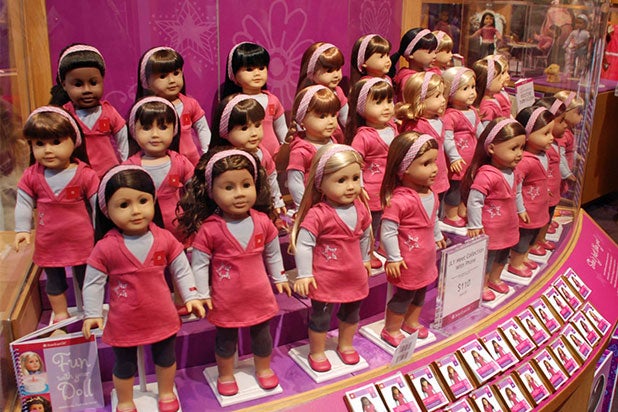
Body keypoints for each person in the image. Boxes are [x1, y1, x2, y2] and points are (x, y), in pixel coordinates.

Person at [82, 165, 205, 412]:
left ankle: (166, 392)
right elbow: (93, 282)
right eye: (123, 205)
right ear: (106, 210)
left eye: (143, 201)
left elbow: (181, 269)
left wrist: (191, 296)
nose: (136, 211)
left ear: (153, 201)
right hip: (125, 320)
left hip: (162, 315)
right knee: (124, 365)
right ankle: (125, 400)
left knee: (165, 358)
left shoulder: (165, 239)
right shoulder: (106, 247)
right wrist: (92, 313)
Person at [177, 148, 291, 396]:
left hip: (259, 295)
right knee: (226, 340)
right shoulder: (210, 229)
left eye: (245, 185)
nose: (239, 194)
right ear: (211, 191)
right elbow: (199, 264)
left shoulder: (263, 222)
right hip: (226, 299)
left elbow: (273, 253)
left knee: (262, 336)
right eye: (228, 187)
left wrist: (280, 277)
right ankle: (226, 374)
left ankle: (263, 368)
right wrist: (201, 294)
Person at [289, 145, 372, 373]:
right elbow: (304, 244)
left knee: (351, 313)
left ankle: (346, 344)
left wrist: (365, 259)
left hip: (354, 274)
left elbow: (366, 234)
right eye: (341, 180)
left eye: (355, 178)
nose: (351, 186)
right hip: (326, 277)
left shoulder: (360, 208)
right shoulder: (318, 213)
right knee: (321, 317)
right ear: (320, 183)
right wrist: (304, 274)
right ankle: (317, 351)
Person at [14, 106, 97, 323]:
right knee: (54, 281)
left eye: (56, 142)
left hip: (82, 241)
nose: (48, 150)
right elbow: (23, 203)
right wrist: (22, 230)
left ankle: (91, 312)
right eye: (39, 144)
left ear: (73, 141)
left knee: (87, 279)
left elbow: (98, 205)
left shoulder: (85, 174)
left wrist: (101, 231)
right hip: (49, 242)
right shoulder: (32, 176)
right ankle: (60, 314)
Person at [379, 132, 446, 347]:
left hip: (426, 257)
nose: (434, 168)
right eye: (426, 163)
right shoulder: (399, 201)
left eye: (434, 161)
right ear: (405, 168)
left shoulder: (432, 194)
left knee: (420, 293)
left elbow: (434, 218)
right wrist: (394, 257)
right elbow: (388, 231)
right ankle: (391, 328)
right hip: (407, 260)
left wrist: (437, 235)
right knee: (403, 296)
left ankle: (411, 321)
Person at [462, 118, 526, 301]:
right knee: (488, 258)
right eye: (513, 148)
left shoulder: (515, 172)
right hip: (490, 228)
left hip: (509, 224)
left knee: (503, 255)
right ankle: (482, 284)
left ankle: (495, 279)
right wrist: (475, 224)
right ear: (491, 148)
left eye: (522, 148)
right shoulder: (487, 175)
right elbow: (475, 201)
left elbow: (518, 193)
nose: (519, 154)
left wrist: (521, 210)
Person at [49, 44, 128, 178]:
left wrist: (125, 165)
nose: (87, 90)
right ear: (64, 85)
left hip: (110, 175)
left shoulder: (109, 112)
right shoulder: (64, 116)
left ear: (102, 80)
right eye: (78, 84)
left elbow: (123, 139)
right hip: (79, 177)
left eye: (93, 83)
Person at [123, 97, 193, 243]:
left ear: (174, 129)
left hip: (180, 232)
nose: (155, 134)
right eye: (146, 128)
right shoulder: (129, 168)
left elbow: (196, 191)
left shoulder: (180, 162)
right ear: (133, 130)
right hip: (144, 235)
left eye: (163, 127)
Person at [345, 78, 398, 269]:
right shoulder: (363, 136)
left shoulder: (393, 128)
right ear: (361, 107)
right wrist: (359, 185)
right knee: (371, 223)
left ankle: (384, 245)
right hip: (371, 189)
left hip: (391, 185)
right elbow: (355, 163)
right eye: (378, 102)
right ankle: (367, 251)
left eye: (389, 101)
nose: (386, 107)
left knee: (389, 217)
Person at [209, 94, 285, 214]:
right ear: (225, 131)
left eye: (257, 125)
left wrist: (277, 200)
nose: (254, 133)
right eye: (244, 128)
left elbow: (271, 177)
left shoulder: (262, 153)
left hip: (260, 205)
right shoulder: (224, 161)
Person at [136, 46, 211, 165]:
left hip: (191, 160)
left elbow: (203, 130)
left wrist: (207, 153)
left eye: (176, 73)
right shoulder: (147, 109)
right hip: (162, 161)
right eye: (162, 76)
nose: (172, 80)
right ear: (146, 81)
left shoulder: (190, 104)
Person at [507, 107, 553, 277]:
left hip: (538, 205)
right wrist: (520, 209)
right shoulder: (524, 161)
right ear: (527, 134)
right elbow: (516, 188)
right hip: (527, 208)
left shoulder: (543, 155)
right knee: (524, 235)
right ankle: (515, 262)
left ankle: (524, 256)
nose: (552, 137)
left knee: (532, 234)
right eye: (546, 133)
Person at [222, 42, 288, 157]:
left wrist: (285, 148)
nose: (257, 73)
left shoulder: (273, 100)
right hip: (244, 156)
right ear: (234, 74)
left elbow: (281, 128)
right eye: (249, 69)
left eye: (262, 68)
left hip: (274, 155)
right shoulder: (233, 104)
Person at [284, 85, 340, 207]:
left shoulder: (332, 140)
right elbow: (295, 183)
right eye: (322, 116)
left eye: (333, 115)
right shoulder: (301, 151)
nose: (330, 121)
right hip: (312, 206)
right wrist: (303, 207)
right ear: (302, 120)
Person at [397, 71, 450, 198]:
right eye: (437, 96)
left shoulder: (439, 120)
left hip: (439, 173)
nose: (443, 100)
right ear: (420, 99)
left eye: (442, 94)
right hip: (422, 179)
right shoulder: (416, 126)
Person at [441, 67, 482, 228]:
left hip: (472, 158)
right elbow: (448, 139)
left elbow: (480, 131)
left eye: (473, 87)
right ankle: (450, 214)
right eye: (465, 89)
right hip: (458, 160)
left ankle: (461, 210)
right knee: (455, 188)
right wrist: (454, 157)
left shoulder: (473, 111)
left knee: (467, 186)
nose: (471, 92)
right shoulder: (450, 115)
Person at [529, 97, 568, 256]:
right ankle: (534, 242)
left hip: (552, 189)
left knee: (548, 216)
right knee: (539, 218)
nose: (565, 125)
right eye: (561, 121)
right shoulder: (542, 148)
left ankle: (541, 238)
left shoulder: (554, 143)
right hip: (543, 191)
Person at [296, 42, 348, 143]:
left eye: (338, 69)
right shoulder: (308, 96)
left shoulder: (338, 92)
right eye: (329, 71)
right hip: (313, 139)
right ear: (312, 72)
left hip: (334, 136)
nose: (336, 75)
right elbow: (299, 122)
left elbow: (345, 117)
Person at [389, 28, 438, 102]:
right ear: (411, 54)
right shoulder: (408, 80)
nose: (434, 56)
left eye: (435, 52)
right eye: (429, 52)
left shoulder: (432, 73)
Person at [554, 90, 583, 197]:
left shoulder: (568, 131)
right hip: (559, 174)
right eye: (578, 113)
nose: (581, 117)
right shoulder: (563, 134)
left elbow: (567, 150)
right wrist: (567, 174)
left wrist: (576, 155)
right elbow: (559, 155)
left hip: (564, 172)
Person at [472, 56, 505, 124]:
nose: (502, 80)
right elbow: (487, 128)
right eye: (499, 78)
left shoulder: (493, 100)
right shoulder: (488, 108)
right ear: (487, 82)